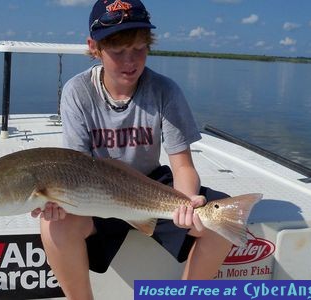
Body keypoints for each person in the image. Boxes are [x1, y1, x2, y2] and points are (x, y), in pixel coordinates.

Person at [31, 0, 232, 299]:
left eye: (139, 48)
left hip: (150, 185)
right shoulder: (77, 92)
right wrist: (58, 202)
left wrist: (187, 202)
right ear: (94, 47)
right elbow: (74, 168)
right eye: (118, 51)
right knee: (52, 227)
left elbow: (182, 166)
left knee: (221, 221)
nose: (130, 61)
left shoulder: (165, 90)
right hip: (97, 190)